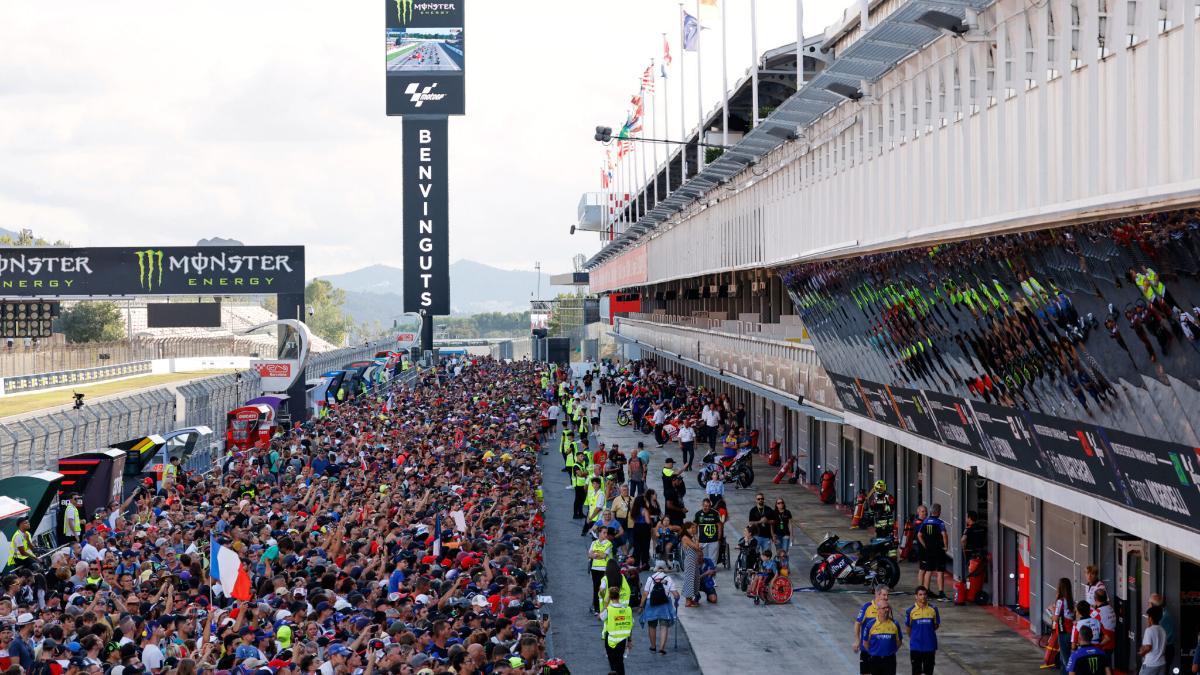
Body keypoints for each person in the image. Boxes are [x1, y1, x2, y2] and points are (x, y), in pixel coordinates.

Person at [640, 561, 679, 655]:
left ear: (656, 569)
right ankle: (662, 648)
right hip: (664, 605)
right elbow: (676, 595)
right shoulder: (668, 578)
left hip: (651, 604)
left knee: (652, 625)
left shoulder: (650, 578)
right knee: (664, 626)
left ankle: (653, 647)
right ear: (664, 569)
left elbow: (645, 593)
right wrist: (676, 600)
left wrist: (641, 605)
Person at [855, 587, 891, 675]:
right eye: (884, 595)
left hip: (881, 652)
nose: (886, 597)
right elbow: (857, 623)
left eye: (887, 595)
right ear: (877, 594)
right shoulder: (867, 607)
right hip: (867, 650)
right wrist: (857, 640)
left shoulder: (888, 608)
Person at [917, 503, 949, 600]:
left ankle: (926, 592)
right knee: (940, 571)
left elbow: (919, 535)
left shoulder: (925, 521)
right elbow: (944, 535)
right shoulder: (940, 522)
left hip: (929, 550)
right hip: (939, 550)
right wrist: (946, 546)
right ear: (939, 512)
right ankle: (941, 593)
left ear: (931, 511)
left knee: (929, 571)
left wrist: (925, 545)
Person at [905, 586, 940, 675]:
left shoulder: (933, 609)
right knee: (916, 671)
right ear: (916, 596)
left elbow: (936, 625)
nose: (923, 596)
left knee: (929, 671)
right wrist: (915, 637)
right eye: (920, 594)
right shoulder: (910, 611)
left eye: (924, 594)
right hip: (916, 647)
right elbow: (908, 628)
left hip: (930, 646)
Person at [600, 587, 633, 675]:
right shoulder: (627, 609)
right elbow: (630, 626)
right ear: (619, 597)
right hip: (622, 640)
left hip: (610, 640)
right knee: (620, 662)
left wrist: (605, 604)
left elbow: (600, 617)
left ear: (610, 597)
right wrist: (629, 640)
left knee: (613, 664)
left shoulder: (609, 610)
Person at [863, 604, 902, 675]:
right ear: (878, 610)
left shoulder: (895, 624)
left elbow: (899, 641)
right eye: (883, 608)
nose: (886, 610)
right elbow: (865, 643)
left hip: (890, 660)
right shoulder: (870, 624)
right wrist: (872, 652)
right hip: (875, 659)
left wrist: (892, 651)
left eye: (887, 608)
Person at [1052, 577, 1077, 671]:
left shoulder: (1060, 601)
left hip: (1063, 632)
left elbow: (1056, 618)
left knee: (1066, 660)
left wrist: (1051, 611)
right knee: (1064, 659)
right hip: (1071, 631)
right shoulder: (1071, 601)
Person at [589, 527, 615, 615]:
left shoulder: (608, 543)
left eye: (606, 533)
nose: (606, 534)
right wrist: (597, 554)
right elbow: (589, 555)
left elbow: (604, 556)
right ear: (599, 533)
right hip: (595, 569)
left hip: (604, 569)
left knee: (604, 589)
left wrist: (595, 553)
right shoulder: (594, 542)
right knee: (596, 589)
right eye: (604, 533)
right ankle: (597, 609)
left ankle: (605, 608)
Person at [1147, 594, 1176, 670]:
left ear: (1153, 605)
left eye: (1149, 603)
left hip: (1165, 651)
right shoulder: (1163, 614)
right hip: (1165, 650)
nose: (1148, 605)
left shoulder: (1163, 618)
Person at [1138, 605, 1167, 675]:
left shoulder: (1149, 630)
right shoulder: (1163, 630)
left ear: (1150, 618)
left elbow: (1148, 647)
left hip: (1150, 664)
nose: (1147, 619)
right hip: (1162, 663)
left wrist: (1142, 653)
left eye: (1148, 617)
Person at [680, 522, 702, 608]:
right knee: (689, 580)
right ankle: (687, 601)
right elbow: (696, 547)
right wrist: (696, 539)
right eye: (692, 528)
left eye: (694, 528)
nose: (694, 530)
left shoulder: (690, 538)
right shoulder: (685, 538)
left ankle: (691, 599)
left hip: (694, 561)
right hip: (690, 561)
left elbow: (697, 549)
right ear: (686, 529)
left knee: (694, 579)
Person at [694, 498, 722, 564]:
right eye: (706, 506)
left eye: (709, 506)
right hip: (702, 540)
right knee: (703, 557)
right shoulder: (698, 514)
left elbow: (719, 526)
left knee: (713, 558)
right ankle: (705, 570)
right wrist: (696, 538)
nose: (707, 507)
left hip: (713, 540)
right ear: (702, 505)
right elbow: (694, 526)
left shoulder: (715, 513)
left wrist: (719, 537)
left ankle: (712, 570)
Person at [772, 498, 793, 563]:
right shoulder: (774, 513)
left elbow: (790, 524)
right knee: (779, 552)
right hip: (777, 535)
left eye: (782, 503)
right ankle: (779, 567)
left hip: (785, 534)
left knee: (784, 552)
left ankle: (785, 568)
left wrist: (792, 535)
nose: (780, 504)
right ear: (776, 505)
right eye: (778, 503)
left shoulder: (787, 512)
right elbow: (771, 525)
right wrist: (773, 535)